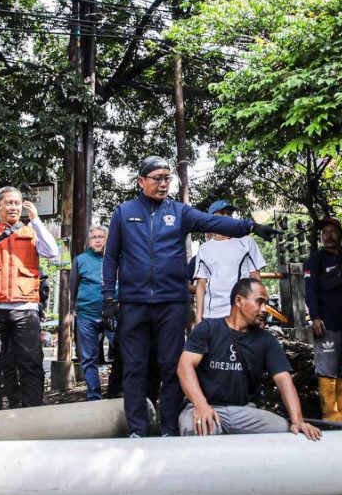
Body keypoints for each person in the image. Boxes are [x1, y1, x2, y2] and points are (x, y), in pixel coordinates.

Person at [103, 156, 282, 437]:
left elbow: (214, 222)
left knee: (171, 367)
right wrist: (108, 299)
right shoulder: (123, 213)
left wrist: (250, 227)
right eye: (157, 179)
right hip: (135, 303)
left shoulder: (179, 212)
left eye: (166, 178)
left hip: (172, 304)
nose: (163, 184)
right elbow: (111, 256)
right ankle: (137, 429)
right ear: (141, 181)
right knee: (134, 367)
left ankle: (169, 429)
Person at [177, 278, 322, 440]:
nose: (264, 309)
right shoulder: (209, 328)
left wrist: (298, 420)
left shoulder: (267, 340)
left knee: (283, 428)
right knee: (199, 428)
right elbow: (184, 366)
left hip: (244, 412)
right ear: (239, 301)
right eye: (259, 302)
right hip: (206, 406)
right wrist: (200, 404)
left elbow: (283, 380)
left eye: (265, 303)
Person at [0, 187, 59, 411]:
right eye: (8, 203)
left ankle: (32, 413)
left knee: (31, 364)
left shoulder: (31, 231)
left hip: (25, 307)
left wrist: (36, 221)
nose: (14, 207)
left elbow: (52, 252)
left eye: (17, 203)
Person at [304, 217, 342, 422]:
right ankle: (330, 413)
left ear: (340, 235)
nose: (328, 236)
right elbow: (309, 291)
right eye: (324, 233)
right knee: (327, 368)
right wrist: (315, 317)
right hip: (327, 324)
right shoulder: (315, 260)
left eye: (332, 232)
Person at [194, 199, 266, 323]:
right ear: (211, 219)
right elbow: (201, 285)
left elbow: (256, 279)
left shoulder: (247, 242)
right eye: (222, 213)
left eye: (229, 213)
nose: (226, 216)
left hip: (241, 313)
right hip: (212, 315)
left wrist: (259, 313)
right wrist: (199, 318)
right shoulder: (204, 249)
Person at [73, 225, 111, 400]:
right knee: (89, 358)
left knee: (126, 352)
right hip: (86, 314)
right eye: (94, 237)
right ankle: (94, 396)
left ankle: (117, 390)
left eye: (101, 237)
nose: (97, 240)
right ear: (89, 241)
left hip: (113, 314)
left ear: (107, 239)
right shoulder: (80, 260)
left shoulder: (114, 258)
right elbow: (73, 287)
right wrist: (74, 310)